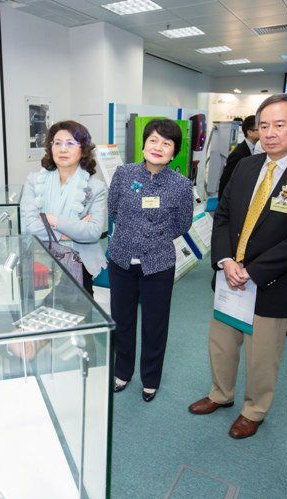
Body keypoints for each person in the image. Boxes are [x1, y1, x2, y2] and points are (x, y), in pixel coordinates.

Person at [187, 94, 287, 439]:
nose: (269, 133)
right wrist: (225, 261)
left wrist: (251, 271)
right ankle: (220, 394)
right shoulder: (247, 166)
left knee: (262, 355)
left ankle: (254, 410)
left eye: (279, 125)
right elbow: (222, 216)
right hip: (228, 275)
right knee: (221, 344)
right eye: (264, 125)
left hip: (271, 281)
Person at [108, 119, 193, 402]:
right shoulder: (123, 173)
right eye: (154, 140)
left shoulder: (181, 184)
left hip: (158, 263)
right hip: (121, 259)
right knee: (122, 320)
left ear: (174, 152)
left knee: (155, 323)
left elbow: (182, 224)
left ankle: (151, 379)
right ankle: (122, 371)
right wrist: (134, 235)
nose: (158, 147)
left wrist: (151, 239)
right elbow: (113, 210)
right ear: (144, 144)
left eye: (166, 143)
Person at [20, 120, 107, 295]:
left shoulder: (96, 188)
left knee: (79, 317)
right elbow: (28, 226)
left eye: (70, 143)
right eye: (57, 143)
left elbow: (93, 232)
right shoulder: (34, 181)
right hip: (39, 264)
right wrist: (70, 230)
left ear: (83, 149)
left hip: (79, 264)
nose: (63, 149)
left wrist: (52, 220)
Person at [218, 115, 258, 196]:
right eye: (260, 129)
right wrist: (222, 204)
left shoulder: (253, 148)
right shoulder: (239, 153)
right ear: (250, 132)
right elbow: (226, 179)